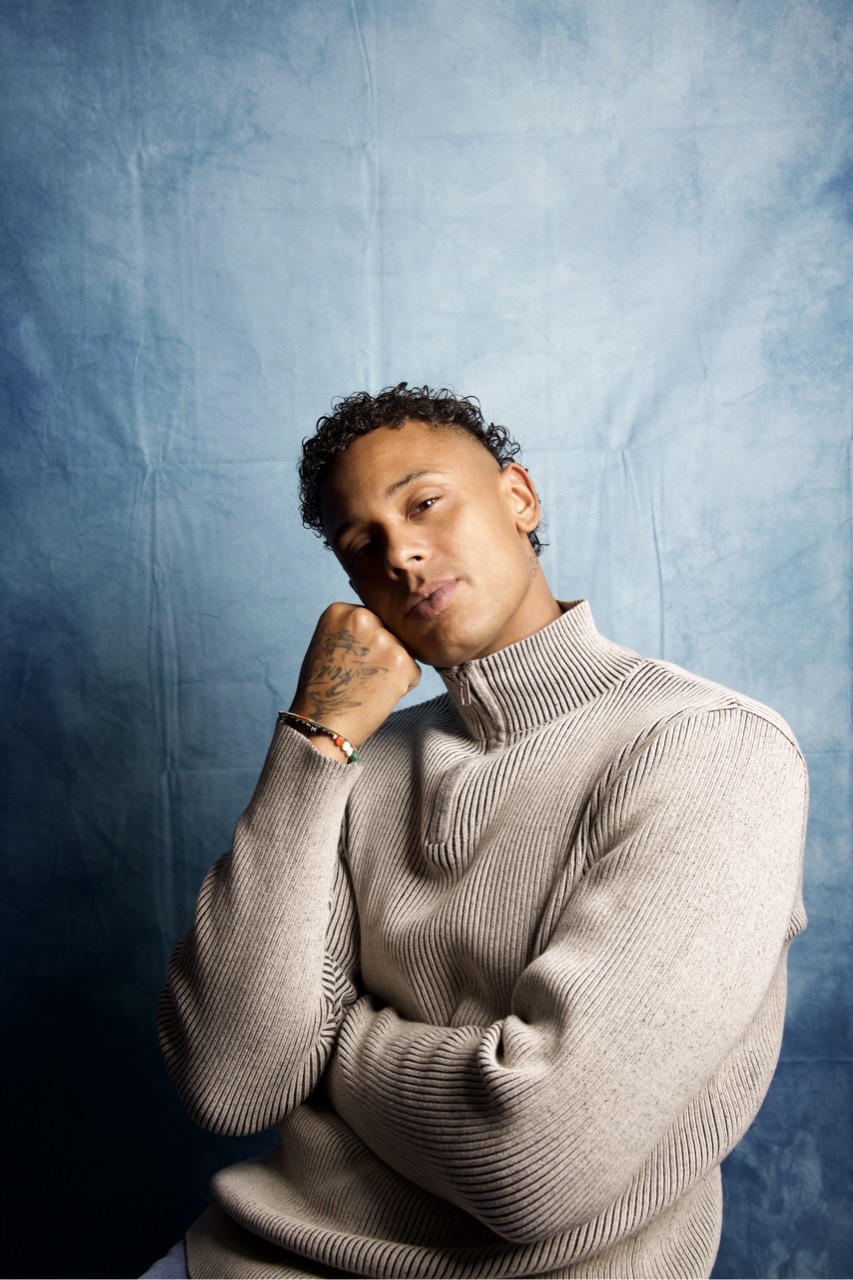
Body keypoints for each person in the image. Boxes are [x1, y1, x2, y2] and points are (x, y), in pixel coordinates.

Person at [151, 384, 808, 1279]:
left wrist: (339, 1042)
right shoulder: (353, 761)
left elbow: (534, 1160)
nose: (401, 553)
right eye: (361, 546)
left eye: (424, 502)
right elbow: (230, 1082)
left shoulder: (711, 749)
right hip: (237, 1261)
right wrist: (315, 741)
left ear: (518, 498)